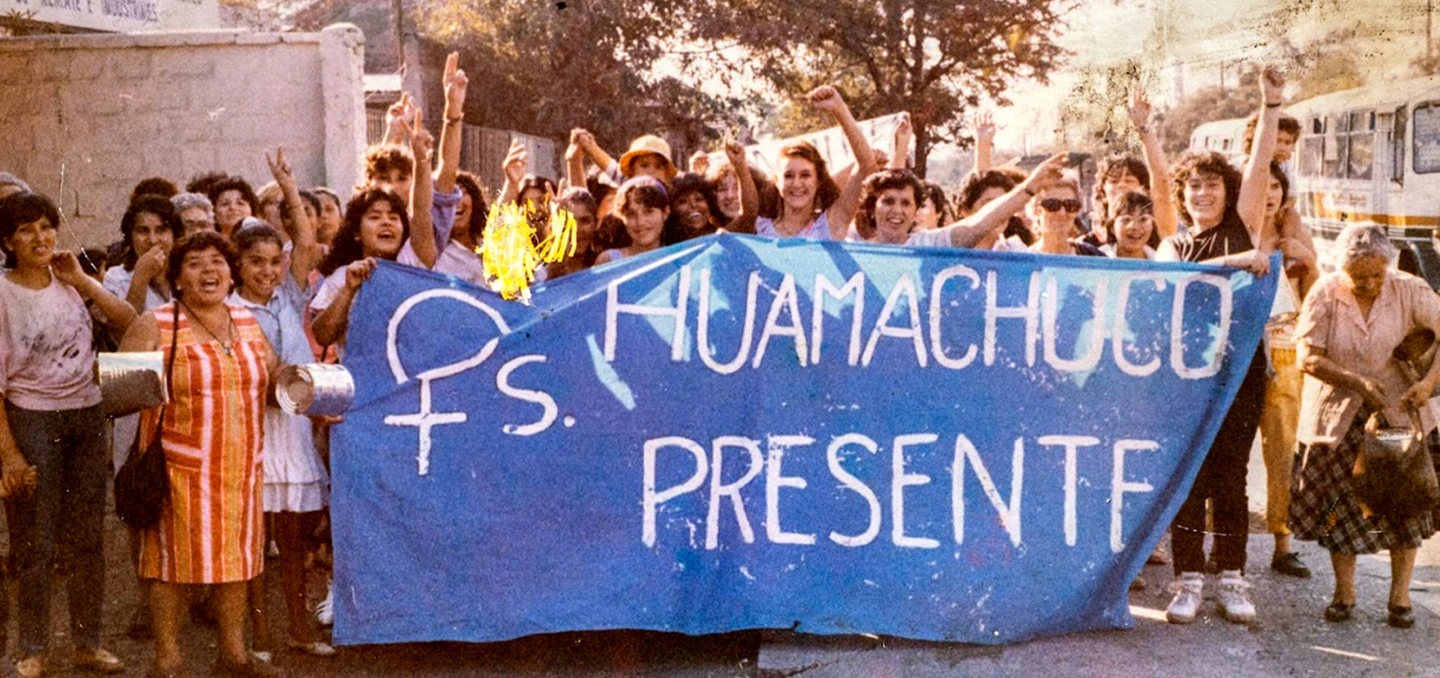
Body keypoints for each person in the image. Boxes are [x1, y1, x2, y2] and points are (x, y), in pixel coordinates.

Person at [119, 232, 282, 677]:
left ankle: (233, 656)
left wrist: (311, 395)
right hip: (179, 469)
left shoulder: (248, 321)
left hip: (241, 467)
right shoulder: (157, 323)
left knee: (237, 562)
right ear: (177, 277)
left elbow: (273, 380)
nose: (209, 270)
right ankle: (167, 660)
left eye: (217, 262)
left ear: (231, 273)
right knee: (171, 565)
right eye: (194, 263)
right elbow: (115, 393)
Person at [1155, 66, 1285, 626]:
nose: (1203, 192)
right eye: (1193, 186)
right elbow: (1177, 282)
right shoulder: (1172, 243)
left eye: (1213, 184)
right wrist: (1234, 263)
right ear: (1183, 197)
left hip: (1239, 369)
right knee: (1189, 475)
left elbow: (1258, 168)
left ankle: (1231, 576)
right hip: (1184, 373)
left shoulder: (1243, 225)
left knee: (1231, 474)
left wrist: (1271, 105)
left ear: (1227, 193)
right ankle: (1185, 581)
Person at [1, 191, 137, 678]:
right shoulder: (2, 293)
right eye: (25, 230)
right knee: (34, 541)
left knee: (87, 539)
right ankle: (32, 647)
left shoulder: (71, 281)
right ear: (7, 241)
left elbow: (130, 324)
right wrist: (10, 455)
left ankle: (87, 643)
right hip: (31, 418)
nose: (39, 237)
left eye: (45, 226)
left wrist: (81, 281)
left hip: (85, 416)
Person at [1290, 223, 1440, 628]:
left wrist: (1428, 383)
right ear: (1342, 270)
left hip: (1401, 415)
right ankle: (1345, 593)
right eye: (1360, 278)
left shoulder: (1409, 287)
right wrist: (1356, 382)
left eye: (1377, 275)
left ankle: (1400, 598)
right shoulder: (1325, 292)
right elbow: (1307, 356)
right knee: (1342, 509)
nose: (1371, 283)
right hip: (1339, 417)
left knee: (1405, 508)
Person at [730, 85, 876, 240]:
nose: (797, 183)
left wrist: (839, 109)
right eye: (788, 176)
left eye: (805, 175)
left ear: (818, 181)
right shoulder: (759, 229)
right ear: (777, 182)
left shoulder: (831, 224)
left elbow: (867, 165)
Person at [595, 177, 669, 265]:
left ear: (665, 213)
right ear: (622, 218)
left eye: (648, 212)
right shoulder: (610, 260)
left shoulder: (677, 258)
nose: (640, 222)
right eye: (631, 214)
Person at [1028, 175, 1104, 256]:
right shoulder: (1024, 260)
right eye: (1053, 205)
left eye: (1070, 205)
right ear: (1037, 210)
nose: (1062, 213)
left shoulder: (1093, 256)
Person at [851, 169, 926, 245]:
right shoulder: (854, 252)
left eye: (905, 203)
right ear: (872, 207)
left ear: (916, 210)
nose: (897, 210)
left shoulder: (929, 243)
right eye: (888, 202)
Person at [547, 187, 601, 279]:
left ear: (596, 224)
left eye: (585, 221)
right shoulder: (540, 274)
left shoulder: (606, 265)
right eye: (570, 222)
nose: (577, 229)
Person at [666, 172, 724, 242]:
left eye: (699, 199)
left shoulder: (722, 236)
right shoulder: (666, 244)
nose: (693, 205)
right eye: (683, 202)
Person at [1099, 191, 1158, 259]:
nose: (1135, 227)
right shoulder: (1097, 258)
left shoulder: (1162, 260)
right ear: (1112, 227)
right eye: (1126, 220)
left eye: (1143, 219)